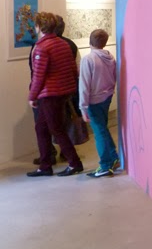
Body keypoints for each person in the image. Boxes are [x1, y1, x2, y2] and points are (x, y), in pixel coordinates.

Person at [26, 12, 83, 177]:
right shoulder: (63, 44)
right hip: (62, 92)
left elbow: (38, 76)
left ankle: (74, 163)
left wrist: (32, 96)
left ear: (39, 27)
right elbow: (73, 69)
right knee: (42, 128)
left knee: (57, 129)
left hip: (50, 94)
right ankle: (45, 165)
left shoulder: (42, 47)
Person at [79, 29, 118, 178]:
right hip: (106, 98)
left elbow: (84, 85)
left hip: (94, 101)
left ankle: (105, 165)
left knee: (99, 132)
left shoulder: (88, 60)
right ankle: (113, 157)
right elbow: (114, 77)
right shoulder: (110, 57)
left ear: (90, 41)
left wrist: (83, 107)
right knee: (103, 128)